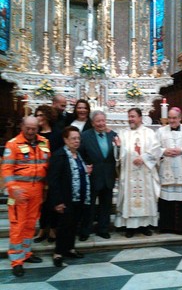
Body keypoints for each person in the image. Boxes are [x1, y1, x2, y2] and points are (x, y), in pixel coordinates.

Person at [1, 116, 50, 277]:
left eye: (33, 129)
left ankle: (26, 253)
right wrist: (13, 188)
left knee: (30, 224)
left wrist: (47, 187)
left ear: (38, 128)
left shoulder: (44, 142)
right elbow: (6, 170)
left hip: (37, 190)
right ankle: (16, 261)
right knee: (18, 226)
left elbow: (48, 165)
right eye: (27, 128)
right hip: (18, 192)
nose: (30, 132)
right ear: (22, 126)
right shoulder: (13, 144)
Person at [48, 126, 91, 267]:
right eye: (73, 138)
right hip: (65, 198)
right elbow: (53, 180)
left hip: (79, 197)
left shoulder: (78, 155)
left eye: (78, 138)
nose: (76, 141)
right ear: (65, 140)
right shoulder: (59, 155)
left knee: (73, 225)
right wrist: (58, 201)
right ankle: (58, 253)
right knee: (64, 226)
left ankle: (70, 248)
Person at [115, 108, 161, 238]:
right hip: (129, 173)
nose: (130, 119)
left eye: (133, 116)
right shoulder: (123, 133)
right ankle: (130, 227)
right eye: (129, 116)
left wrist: (144, 158)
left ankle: (144, 225)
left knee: (145, 197)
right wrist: (118, 147)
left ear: (140, 118)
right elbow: (119, 154)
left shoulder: (150, 133)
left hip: (145, 172)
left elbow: (156, 150)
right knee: (129, 196)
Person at [156, 107, 182, 233]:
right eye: (170, 118)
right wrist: (164, 151)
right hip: (167, 172)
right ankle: (166, 226)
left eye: (174, 118)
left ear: (180, 118)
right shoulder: (160, 132)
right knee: (166, 200)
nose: (172, 120)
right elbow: (153, 148)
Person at [79, 110, 119, 240]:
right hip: (92, 176)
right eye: (98, 121)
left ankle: (103, 229)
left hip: (108, 175)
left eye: (103, 120)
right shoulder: (85, 136)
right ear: (92, 123)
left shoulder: (113, 135)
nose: (101, 124)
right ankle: (85, 230)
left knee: (105, 204)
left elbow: (118, 154)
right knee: (88, 205)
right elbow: (79, 155)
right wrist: (85, 166)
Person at [33, 105, 64, 243]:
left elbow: (58, 154)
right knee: (42, 203)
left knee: (53, 201)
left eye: (40, 115)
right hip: (37, 174)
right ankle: (42, 229)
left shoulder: (57, 134)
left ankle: (53, 229)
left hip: (53, 173)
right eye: (37, 115)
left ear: (47, 116)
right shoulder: (34, 133)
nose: (38, 118)